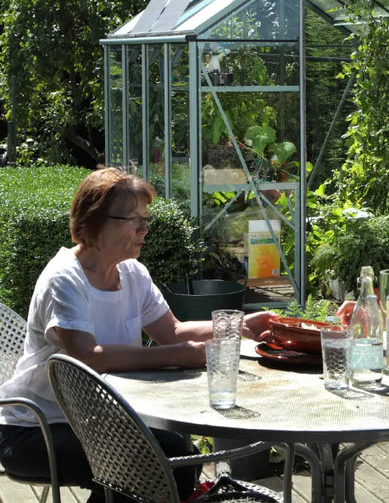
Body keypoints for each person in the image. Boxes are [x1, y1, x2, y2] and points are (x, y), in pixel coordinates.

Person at [0, 167, 276, 502]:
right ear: (96, 220)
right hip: (34, 429)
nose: (145, 229)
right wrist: (178, 355)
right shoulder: (64, 279)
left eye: (146, 219)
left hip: (95, 421)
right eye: (135, 219)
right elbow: (87, 357)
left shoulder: (132, 273)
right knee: (148, 464)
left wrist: (242, 327)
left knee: (175, 452)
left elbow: (171, 331)